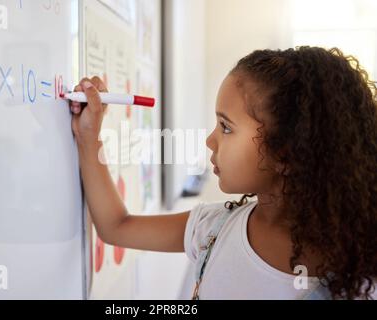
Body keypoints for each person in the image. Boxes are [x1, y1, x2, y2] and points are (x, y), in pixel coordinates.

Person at [69, 46, 376, 300]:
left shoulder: (356, 279)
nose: (209, 140)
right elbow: (116, 226)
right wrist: (88, 136)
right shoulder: (214, 229)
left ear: (285, 153)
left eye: (226, 127)